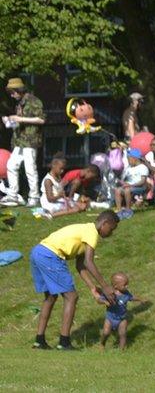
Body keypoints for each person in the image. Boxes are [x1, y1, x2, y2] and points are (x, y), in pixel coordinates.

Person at [28, 211, 120, 350]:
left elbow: (80, 265)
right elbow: (89, 262)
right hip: (51, 255)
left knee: (50, 297)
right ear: (105, 223)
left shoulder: (85, 229)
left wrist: (92, 287)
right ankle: (64, 342)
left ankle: (39, 341)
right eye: (111, 229)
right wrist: (105, 286)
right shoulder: (92, 233)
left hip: (38, 252)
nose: (111, 233)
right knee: (71, 296)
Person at [1, 77, 46, 207]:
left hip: (30, 141)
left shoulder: (33, 101)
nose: (11, 95)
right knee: (11, 165)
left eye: (13, 92)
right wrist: (10, 122)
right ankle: (13, 195)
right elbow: (21, 121)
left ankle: (34, 196)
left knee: (30, 169)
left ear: (19, 90)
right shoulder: (19, 103)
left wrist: (20, 119)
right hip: (20, 140)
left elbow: (41, 120)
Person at [98, 271, 148, 350]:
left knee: (123, 334)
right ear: (116, 286)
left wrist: (140, 299)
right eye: (125, 285)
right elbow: (99, 300)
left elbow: (132, 297)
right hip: (110, 318)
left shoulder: (126, 293)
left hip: (122, 318)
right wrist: (105, 302)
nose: (127, 286)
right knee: (106, 333)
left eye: (127, 284)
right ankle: (102, 344)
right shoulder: (110, 293)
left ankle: (122, 350)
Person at [38, 154, 89, 219]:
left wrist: (65, 199)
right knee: (76, 209)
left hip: (58, 200)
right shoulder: (48, 180)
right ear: (53, 166)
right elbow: (50, 199)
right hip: (50, 203)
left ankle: (64, 210)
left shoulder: (58, 177)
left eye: (63, 169)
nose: (62, 171)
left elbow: (60, 191)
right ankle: (51, 215)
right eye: (60, 169)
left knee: (83, 206)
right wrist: (60, 196)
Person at [114, 149, 149, 215]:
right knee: (117, 190)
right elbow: (124, 180)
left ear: (134, 159)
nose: (128, 161)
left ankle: (128, 209)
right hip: (129, 186)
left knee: (127, 190)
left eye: (129, 159)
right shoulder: (128, 168)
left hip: (139, 187)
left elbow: (142, 181)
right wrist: (120, 182)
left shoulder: (143, 167)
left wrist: (131, 185)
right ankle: (119, 209)